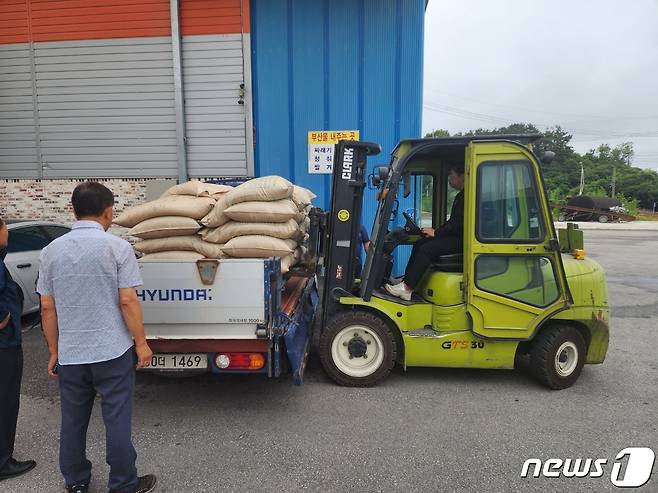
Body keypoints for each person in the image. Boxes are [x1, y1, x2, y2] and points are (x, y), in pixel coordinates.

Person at [37, 182, 157, 493]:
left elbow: (47, 306)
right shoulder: (117, 248)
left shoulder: (50, 251)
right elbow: (128, 300)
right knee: (116, 418)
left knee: (73, 421)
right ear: (108, 211)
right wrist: (142, 343)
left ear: (72, 210)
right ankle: (122, 484)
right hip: (112, 351)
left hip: (72, 354)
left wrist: (53, 349)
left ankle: (76, 481)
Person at [385, 162, 465, 301]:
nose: (449, 179)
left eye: (451, 175)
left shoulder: (466, 197)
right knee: (420, 243)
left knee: (427, 248)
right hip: (457, 237)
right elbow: (453, 223)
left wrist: (437, 233)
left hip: (463, 241)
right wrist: (434, 232)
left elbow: (457, 224)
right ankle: (407, 282)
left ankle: (407, 289)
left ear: (462, 176)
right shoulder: (461, 196)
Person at [0, 217, 37, 482]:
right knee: (5, 400)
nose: (6, 232)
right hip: (4, 344)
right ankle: (3, 461)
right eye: (3, 227)